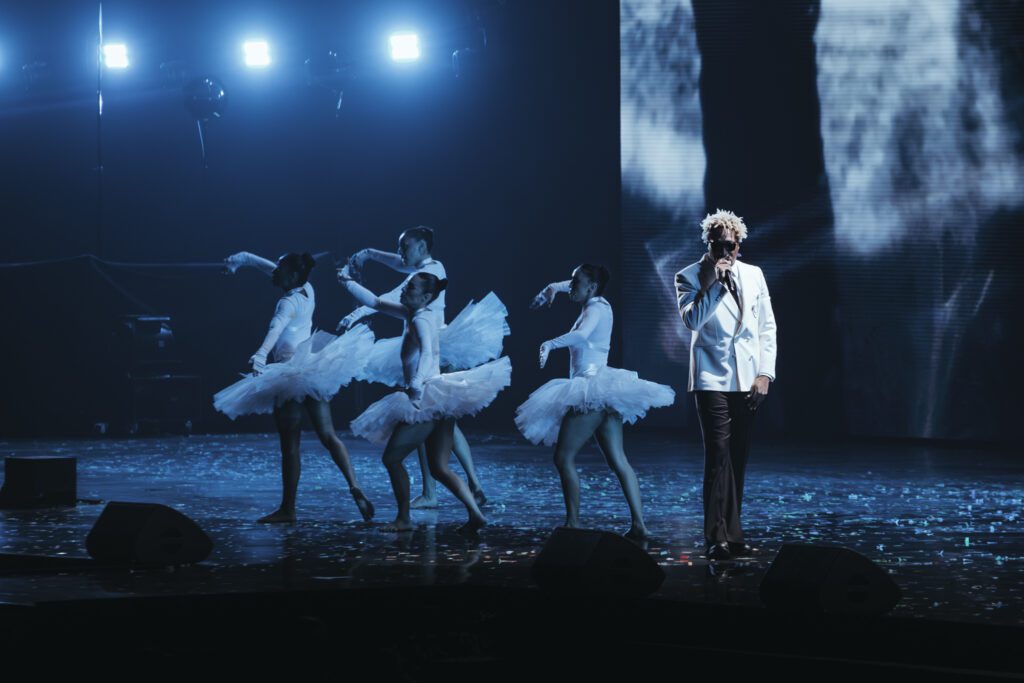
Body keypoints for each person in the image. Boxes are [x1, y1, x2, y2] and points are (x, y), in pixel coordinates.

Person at [338, 265, 511, 534]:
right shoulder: (414, 312)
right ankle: (476, 515)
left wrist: (416, 387)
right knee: (440, 467)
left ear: (426, 297)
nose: (404, 290)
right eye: (406, 286)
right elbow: (375, 301)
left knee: (392, 459)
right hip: (438, 397)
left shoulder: (419, 320)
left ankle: (404, 518)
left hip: (426, 398)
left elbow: (429, 354)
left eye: (411, 288)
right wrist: (347, 281)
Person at [214, 251, 375, 523]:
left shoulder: (287, 302)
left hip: (288, 376)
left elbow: (275, 329)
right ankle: (355, 486)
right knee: (328, 435)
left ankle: (288, 508)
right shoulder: (307, 288)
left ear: (291, 275)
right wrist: (241, 259)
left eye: (281, 269)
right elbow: (271, 269)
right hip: (312, 369)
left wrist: (261, 354)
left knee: (290, 446)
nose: (274, 272)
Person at [517, 264, 675, 540]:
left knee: (563, 457)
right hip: (603, 391)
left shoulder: (596, 309)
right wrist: (553, 288)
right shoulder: (597, 300)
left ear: (590, 287)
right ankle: (639, 525)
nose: (571, 286)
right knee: (618, 461)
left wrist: (549, 344)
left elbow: (580, 336)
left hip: (590, 391)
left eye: (575, 282)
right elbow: (573, 285)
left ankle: (573, 522)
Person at [674, 210, 777, 560]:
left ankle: (733, 533)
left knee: (737, 457)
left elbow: (767, 328)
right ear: (708, 243)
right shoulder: (689, 276)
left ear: (740, 246)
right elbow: (692, 320)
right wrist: (716, 284)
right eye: (719, 245)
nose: (726, 252)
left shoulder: (754, 275)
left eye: (731, 246)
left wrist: (765, 373)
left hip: (747, 377)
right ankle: (715, 535)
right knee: (718, 454)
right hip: (711, 377)